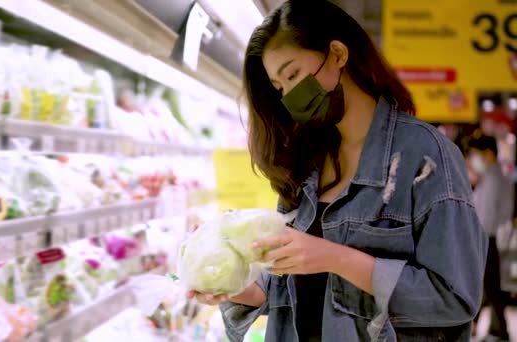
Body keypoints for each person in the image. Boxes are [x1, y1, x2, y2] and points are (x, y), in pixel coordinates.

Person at [187, 1, 488, 341]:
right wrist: (232, 287)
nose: (288, 95)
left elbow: (455, 297)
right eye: (279, 87)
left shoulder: (426, 156)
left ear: (337, 54)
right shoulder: (304, 164)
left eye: (293, 75)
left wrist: (336, 258)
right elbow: (286, 285)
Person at [469, 135, 513, 342]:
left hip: (486, 240)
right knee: (488, 287)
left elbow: (484, 217)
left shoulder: (493, 178)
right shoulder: (492, 177)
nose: (473, 159)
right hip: (488, 239)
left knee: (489, 288)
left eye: (475, 154)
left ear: (487, 153)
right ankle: (496, 329)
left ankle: (500, 331)